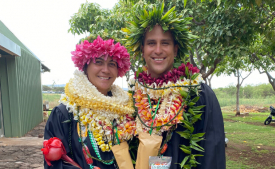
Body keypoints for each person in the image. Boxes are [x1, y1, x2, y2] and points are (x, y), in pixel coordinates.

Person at [126, 4, 226, 169]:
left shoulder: (197, 93)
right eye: (151, 43)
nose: (158, 50)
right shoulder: (133, 94)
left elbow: (212, 156)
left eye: (165, 43)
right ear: (142, 50)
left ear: (175, 49)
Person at [42, 35, 136, 169]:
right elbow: (54, 165)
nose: (106, 70)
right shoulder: (66, 113)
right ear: (85, 65)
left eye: (112, 64)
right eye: (98, 62)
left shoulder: (127, 109)